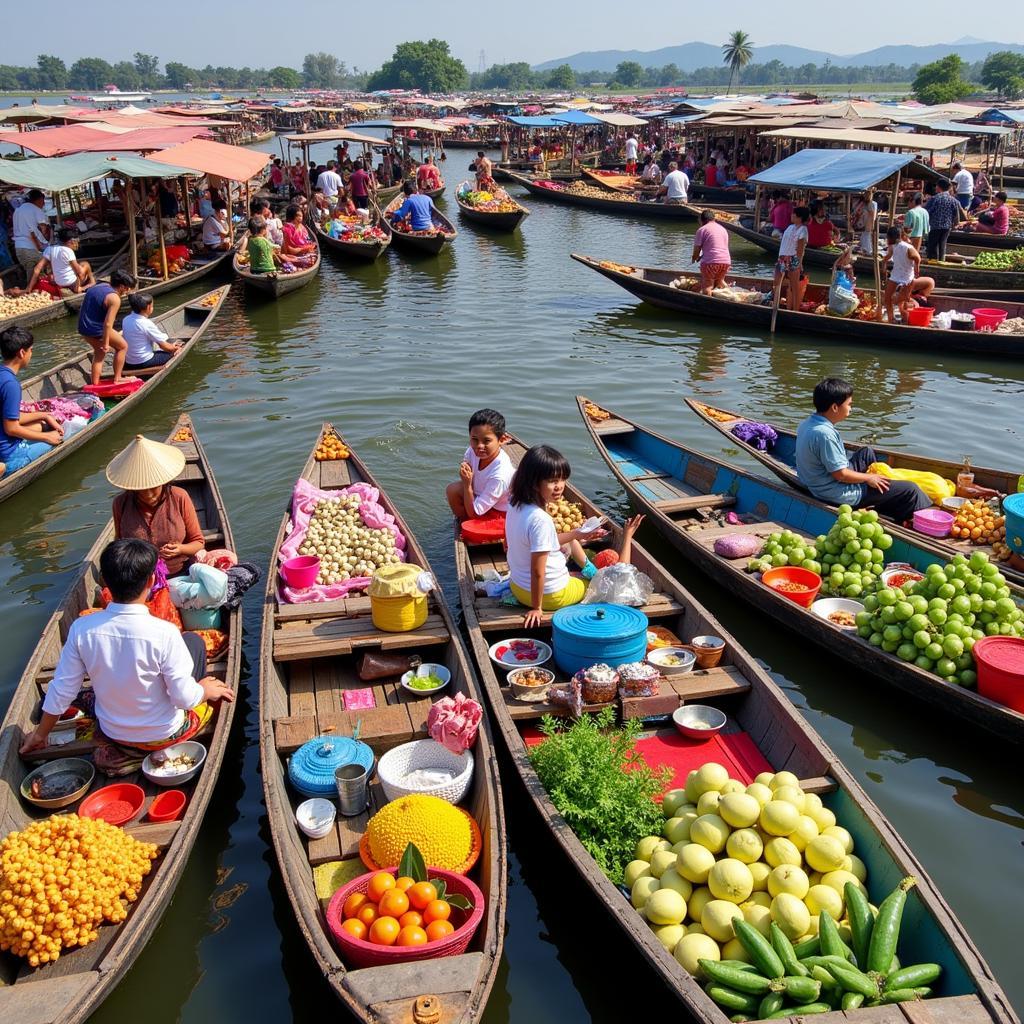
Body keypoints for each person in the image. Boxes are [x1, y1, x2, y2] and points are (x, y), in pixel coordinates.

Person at [19, 538, 233, 759]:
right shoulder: (165, 632)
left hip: (114, 733)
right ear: (151, 581)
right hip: (165, 733)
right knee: (194, 642)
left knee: (89, 693)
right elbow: (184, 699)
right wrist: (205, 691)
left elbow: (62, 690)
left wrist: (39, 735)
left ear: (106, 584)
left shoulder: (81, 628)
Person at [505, 444, 644, 628]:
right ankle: (591, 573)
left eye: (562, 479)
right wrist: (537, 608)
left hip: (517, 588)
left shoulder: (515, 505)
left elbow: (546, 543)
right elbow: (537, 571)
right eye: (552, 481)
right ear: (533, 482)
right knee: (606, 583)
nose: (560, 486)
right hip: (550, 596)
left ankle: (587, 569)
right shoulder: (540, 519)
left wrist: (578, 534)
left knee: (570, 539)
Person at [796, 379, 932, 522]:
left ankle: (878, 499)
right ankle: (915, 520)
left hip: (818, 480)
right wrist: (869, 478)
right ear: (835, 407)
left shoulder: (808, 423)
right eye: (849, 404)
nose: (850, 409)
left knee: (866, 452)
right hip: (833, 491)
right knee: (911, 489)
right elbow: (840, 475)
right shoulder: (825, 435)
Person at [108, 433, 206, 575]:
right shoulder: (120, 503)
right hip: (139, 577)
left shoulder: (179, 497)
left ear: (163, 481)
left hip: (178, 572)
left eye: (153, 487)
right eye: (140, 488)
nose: (148, 494)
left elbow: (198, 543)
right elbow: (119, 543)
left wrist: (180, 549)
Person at [0, 325, 63, 478]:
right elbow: (11, 428)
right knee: (62, 437)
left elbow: (10, 416)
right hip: (10, 455)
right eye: (31, 350)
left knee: (42, 425)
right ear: (22, 352)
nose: (31, 354)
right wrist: (47, 437)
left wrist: (43, 415)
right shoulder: (11, 384)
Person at [446, 409, 514, 521]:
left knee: (473, 516)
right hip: (479, 497)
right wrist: (466, 475)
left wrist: (467, 485)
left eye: (486, 441)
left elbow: (474, 513)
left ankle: (469, 525)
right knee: (452, 490)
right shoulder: (473, 451)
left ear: (502, 440)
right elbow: (467, 464)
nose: (479, 446)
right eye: (474, 439)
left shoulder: (500, 475)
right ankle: (464, 522)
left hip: (499, 511)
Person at [78, 269, 136, 386]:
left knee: (99, 354)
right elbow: (108, 324)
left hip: (83, 327)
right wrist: (106, 342)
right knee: (122, 347)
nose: (127, 291)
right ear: (121, 286)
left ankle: (95, 384)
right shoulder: (114, 299)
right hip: (96, 329)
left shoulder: (99, 286)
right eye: (127, 288)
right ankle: (118, 378)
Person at [883, 226, 934, 323]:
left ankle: (906, 320)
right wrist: (883, 263)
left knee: (902, 301)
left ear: (893, 237)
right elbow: (889, 255)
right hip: (895, 275)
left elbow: (917, 258)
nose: (887, 240)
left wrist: (916, 268)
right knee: (887, 298)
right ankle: (891, 319)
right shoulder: (893, 246)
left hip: (907, 278)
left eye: (888, 238)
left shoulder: (907, 247)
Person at [122, 292, 181, 371]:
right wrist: (176, 349)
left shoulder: (126, 319)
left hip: (129, 362)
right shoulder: (146, 323)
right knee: (177, 351)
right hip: (143, 362)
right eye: (152, 306)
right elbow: (164, 347)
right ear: (149, 307)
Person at [26, 228, 94, 294]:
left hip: (58, 282)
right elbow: (79, 272)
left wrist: (29, 287)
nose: (77, 244)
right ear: (70, 241)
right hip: (71, 283)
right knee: (85, 264)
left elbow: (37, 269)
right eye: (76, 242)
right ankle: (90, 283)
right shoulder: (68, 251)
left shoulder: (50, 249)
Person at [774, 206, 809, 311]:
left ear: (799, 217)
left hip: (793, 258)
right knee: (776, 283)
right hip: (782, 257)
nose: (791, 215)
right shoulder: (790, 227)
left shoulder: (803, 230)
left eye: (794, 214)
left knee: (794, 286)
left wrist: (799, 263)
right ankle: (775, 306)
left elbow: (800, 249)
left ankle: (795, 309)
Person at [691, 209, 732, 294]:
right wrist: (701, 256)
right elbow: (718, 248)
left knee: (708, 286)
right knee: (719, 281)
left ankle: (707, 303)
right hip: (726, 262)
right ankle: (729, 294)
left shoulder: (702, 230)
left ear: (701, 220)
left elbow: (696, 250)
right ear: (714, 219)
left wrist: (694, 258)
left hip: (711, 263)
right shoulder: (723, 229)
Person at [12, 189, 51, 280]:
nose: (44, 204)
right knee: (44, 271)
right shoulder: (36, 210)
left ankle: (31, 291)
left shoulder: (17, 211)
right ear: (40, 199)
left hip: (19, 248)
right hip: (32, 248)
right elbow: (44, 230)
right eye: (43, 201)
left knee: (32, 276)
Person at [924, 179, 961, 260]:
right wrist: (955, 224)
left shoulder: (935, 198)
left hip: (935, 226)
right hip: (947, 227)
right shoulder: (954, 200)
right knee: (942, 245)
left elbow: (927, 212)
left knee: (933, 246)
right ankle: (941, 261)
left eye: (936, 186)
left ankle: (933, 263)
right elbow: (956, 215)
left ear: (938, 187)